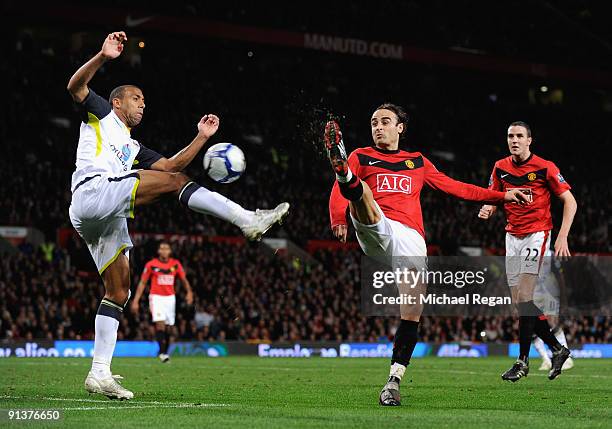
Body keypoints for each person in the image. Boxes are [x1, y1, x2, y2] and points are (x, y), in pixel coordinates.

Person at [67, 31, 289, 399]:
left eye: (144, 101)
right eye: (137, 99)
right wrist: (103, 57)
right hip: (94, 191)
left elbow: (171, 165)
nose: (142, 105)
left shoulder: (132, 145)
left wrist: (201, 137)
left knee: (118, 291)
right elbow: (74, 85)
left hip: (99, 213)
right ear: (118, 101)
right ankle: (246, 219)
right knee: (173, 183)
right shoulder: (102, 114)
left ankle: (99, 373)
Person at [326, 103, 530, 406]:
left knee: (412, 310)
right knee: (362, 195)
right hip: (376, 226)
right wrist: (338, 218)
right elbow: (334, 193)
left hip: (410, 238)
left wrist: (501, 196)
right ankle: (347, 178)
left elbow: (456, 187)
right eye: (373, 122)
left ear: (400, 128)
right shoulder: (360, 156)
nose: (378, 127)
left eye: (385, 121)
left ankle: (393, 381)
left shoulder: (417, 162)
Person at [478, 121, 577, 382]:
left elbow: (570, 201)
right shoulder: (500, 167)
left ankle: (522, 361)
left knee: (524, 295)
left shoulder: (546, 167)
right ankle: (558, 349)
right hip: (512, 237)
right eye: (510, 136)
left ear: (529, 140)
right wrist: (490, 207)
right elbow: (494, 195)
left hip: (537, 234)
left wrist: (563, 236)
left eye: (519, 136)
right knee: (521, 304)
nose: (514, 140)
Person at [131, 241, 193, 363]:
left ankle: (164, 352)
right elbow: (143, 283)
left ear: (170, 251)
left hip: (170, 298)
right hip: (156, 297)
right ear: (158, 251)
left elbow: (184, 279)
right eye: (162, 248)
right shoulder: (151, 265)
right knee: (160, 324)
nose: (164, 251)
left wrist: (189, 292)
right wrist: (136, 300)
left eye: (166, 248)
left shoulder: (175, 264)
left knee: (169, 328)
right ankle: (163, 353)